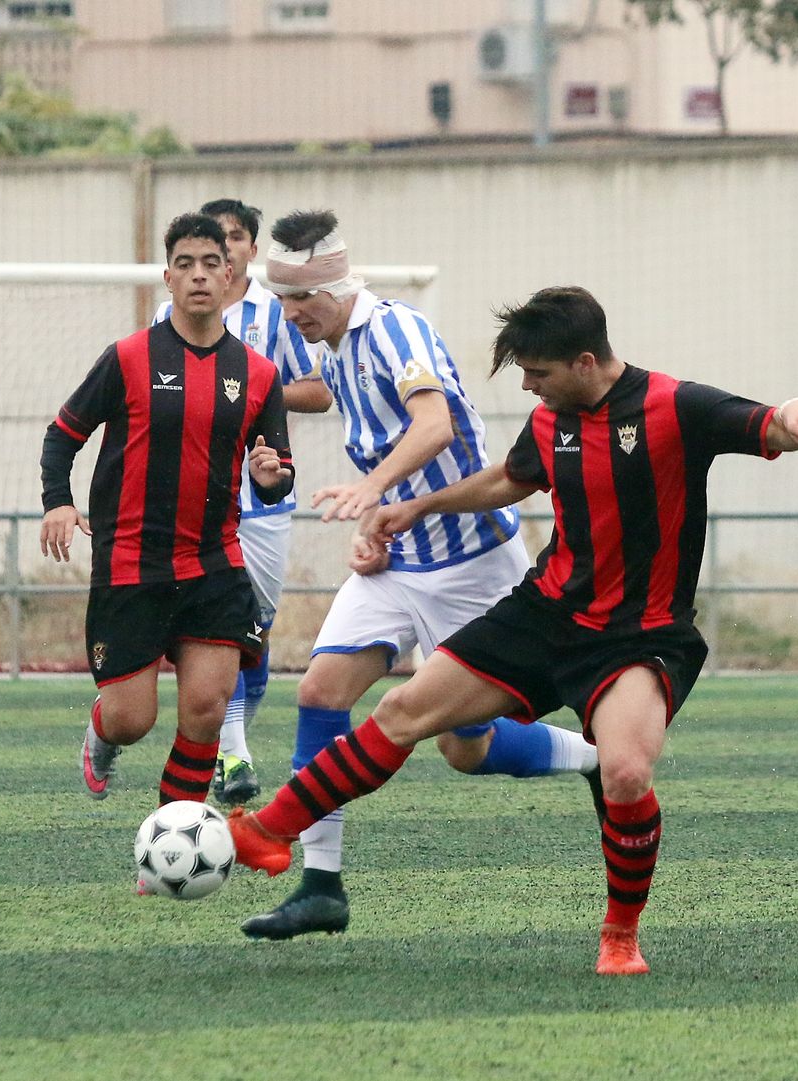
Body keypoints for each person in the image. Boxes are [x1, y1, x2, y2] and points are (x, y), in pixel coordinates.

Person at [228, 285, 798, 975]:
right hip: (543, 613)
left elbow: (765, 424)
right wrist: (419, 505)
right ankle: (268, 829)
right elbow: (509, 480)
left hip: (640, 636)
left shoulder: (674, 406)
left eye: (538, 373)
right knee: (402, 710)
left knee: (625, 770)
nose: (527, 385)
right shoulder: (552, 418)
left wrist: (792, 413)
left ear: (585, 362)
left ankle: (620, 935)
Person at [239, 212, 603, 942]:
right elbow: (390, 441)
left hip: (471, 565)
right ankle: (320, 885)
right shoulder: (334, 347)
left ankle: (598, 757)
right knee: (319, 690)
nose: (288, 315)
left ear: (332, 285)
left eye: (295, 301)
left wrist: (373, 492)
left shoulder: (395, 330)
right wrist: (378, 524)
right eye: (279, 302)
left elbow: (433, 426)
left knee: (464, 747)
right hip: (400, 560)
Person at [39, 212, 294, 825]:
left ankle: (172, 840)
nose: (200, 276)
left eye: (212, 264)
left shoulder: (258, 375)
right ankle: (103, 735)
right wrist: (58, 501)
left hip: (214, 561)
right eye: (186, 265)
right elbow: (63, 435)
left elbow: (280, 466)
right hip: (132, 559)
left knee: (206, 709)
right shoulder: (128, 358)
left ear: (231, 276)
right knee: (134, 719)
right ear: (168, 278)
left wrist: (272, 475)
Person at [151, 198, 331, 808]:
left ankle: (231, 740)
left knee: (255, 632)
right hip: (193, 505)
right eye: (208, 241)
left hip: (263, 500)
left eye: (231, 239)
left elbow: (317, 389)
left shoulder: (277, 315)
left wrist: (245, 388)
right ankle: (230, 752)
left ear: (250, 251)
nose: (219, 252)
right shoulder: (166, 314)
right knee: (207, 630)